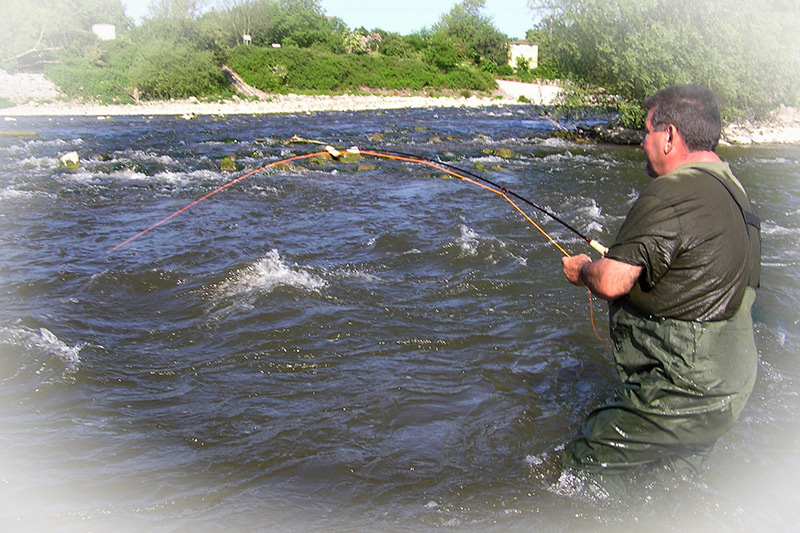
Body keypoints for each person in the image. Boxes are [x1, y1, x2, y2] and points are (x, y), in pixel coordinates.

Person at [560, 84, 761, 481]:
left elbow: (612, 280)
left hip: (686, 390)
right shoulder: (735, 192)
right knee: (668, 485)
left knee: (582, 466)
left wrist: (583, 269)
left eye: (646, 131)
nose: (640, 143)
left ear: (669, 136)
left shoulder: (672, 192)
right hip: (732, 387)